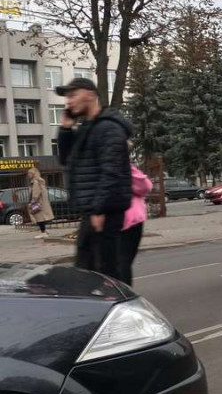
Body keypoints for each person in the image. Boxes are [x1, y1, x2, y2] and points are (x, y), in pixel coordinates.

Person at [56, 78, 133, 280]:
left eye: (73, 95)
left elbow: (111, 172)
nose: (69, 102)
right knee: (87, 273)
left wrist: (100, 210)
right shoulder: (87, 127)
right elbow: (66, 160)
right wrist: (65, 129)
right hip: (92, 211)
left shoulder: (109, 128)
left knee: (108, 275)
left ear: (90, 94)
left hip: (105, 213)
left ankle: (124, 310)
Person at [120, 161, 153, 285]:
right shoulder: (122, 164)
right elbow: (144, 186)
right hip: (130, 218)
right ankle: (123, 295)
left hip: (107, 217)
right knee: (123, 261)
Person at [27, 167, 54, 239]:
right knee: (40, 217)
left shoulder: (35, 182)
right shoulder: (39, 181)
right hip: (42, 202)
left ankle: (43, 232)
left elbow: (35, 194)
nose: (28, 175)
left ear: (33, 174)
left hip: (38, 203)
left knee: (39, 218)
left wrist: (32, 202)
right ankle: (44, 230)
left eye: (29, 173)